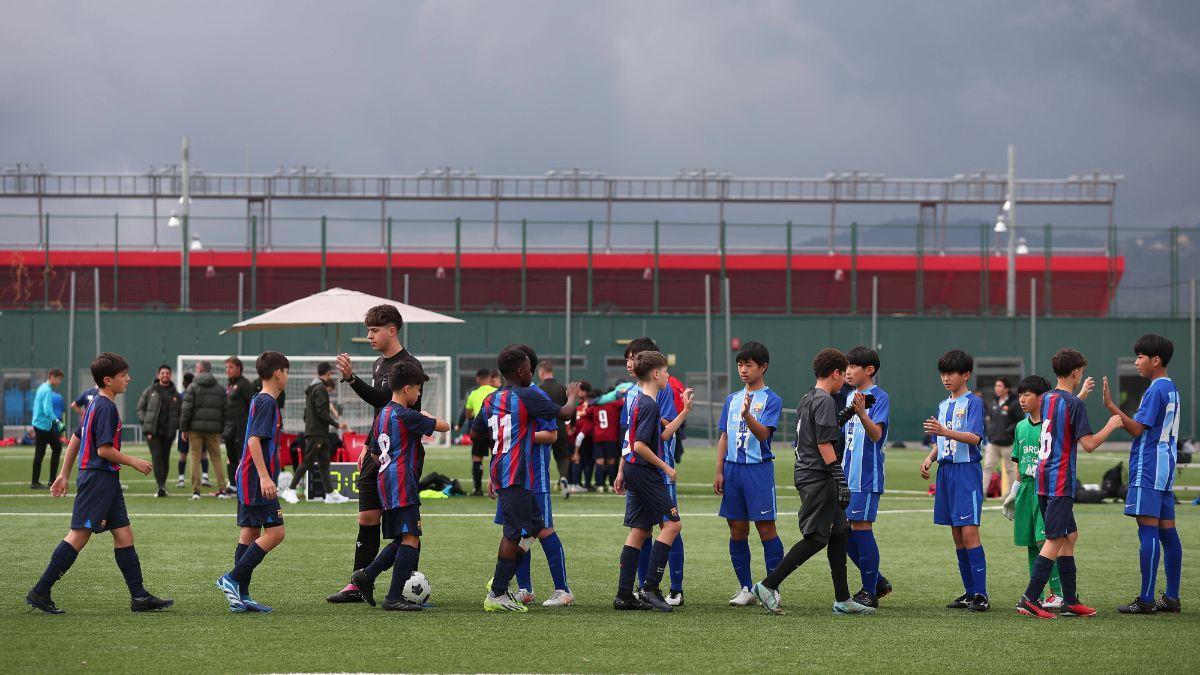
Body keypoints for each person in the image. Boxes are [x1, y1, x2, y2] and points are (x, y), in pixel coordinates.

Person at [25, 352, 173, 614]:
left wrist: (63, 474)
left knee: (124, 533)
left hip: (106, 479)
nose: (129, 378)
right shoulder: (105, 407)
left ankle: (139, 597)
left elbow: (76, 437)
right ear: (108, 380)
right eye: (123, 375)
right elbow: (103, 450)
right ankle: (40, 591)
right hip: (98, 479)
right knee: (79, 536)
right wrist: (134, 461)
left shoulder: (95, 402)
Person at [749, 348, 874, 616]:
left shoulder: (810, 397)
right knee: (817, 537)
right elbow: (824, 442)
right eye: (844, 373)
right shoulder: (826, 400)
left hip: (809, 472)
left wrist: (851, 411)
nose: (845, 380)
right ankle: (768, 585)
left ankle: (843, 598)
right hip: (818, 476)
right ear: (836, 373)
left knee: (839, 533)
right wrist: (840, 478)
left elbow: (820, 429)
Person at [327, 304, 424, 604]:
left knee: (406, 528)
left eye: (374, 330)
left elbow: (386, 401)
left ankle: (405, 589)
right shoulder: (380, 363)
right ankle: (358, 584)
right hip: (379, 452)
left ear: (392, 330)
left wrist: (352, 380)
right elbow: (381, 412)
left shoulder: (408, 366)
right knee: (367, 518)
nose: (368, 336)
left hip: (401, 459)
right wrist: (368, 446)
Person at [1015, 348, 1122, 619]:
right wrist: (1112, 424)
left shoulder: (1047, 398)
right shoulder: (1074, 404)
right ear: (1076, 372)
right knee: (1056, 538)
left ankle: (1070, 601)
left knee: (1069, 536)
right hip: (1060, 480)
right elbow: (1088, 445)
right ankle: (1030, 598)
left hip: (1042, 477)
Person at [472, 347, 576, 613]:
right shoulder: (528, 394)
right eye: (529, 367)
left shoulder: (491, 399)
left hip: (506, 470)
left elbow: (476, 434)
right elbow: (564, 414)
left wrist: (501, 444)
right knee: (514, 532)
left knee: (532, 528)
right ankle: (498, 592)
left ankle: (502, 582)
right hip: (517, 473)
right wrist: (572, 397)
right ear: (521, 371)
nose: (533, 371)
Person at [350, 361, 450, 610]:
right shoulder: (406, 415)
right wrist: (426, 415)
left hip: (386, 481)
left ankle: (366, 575)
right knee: (411, 537)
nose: (418, 394)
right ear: (407, 389)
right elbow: (445, 426)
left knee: (404, 538)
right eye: (417, 389)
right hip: (402, 483)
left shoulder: (383, 413)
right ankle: (393, 597)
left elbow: (374, 453)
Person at [1106, 334, 1184, 615]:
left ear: (1155, 360)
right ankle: (1172, 597)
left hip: (1149, 467)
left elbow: (1138, 429)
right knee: (1168, 532)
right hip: (1165, 469)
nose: (1136, 361)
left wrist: (1113, 408)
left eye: (1140, 357)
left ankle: (1146, 599)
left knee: (1147, 530)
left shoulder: (1155, 390)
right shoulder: (1172, 388)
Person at [613, 351, 692, 612]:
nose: (668, 375)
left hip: (635, 470)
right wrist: (666, 467)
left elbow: (663, 434)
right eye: (666, 370)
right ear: (656, 374)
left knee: (640, 529)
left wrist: (683, 413)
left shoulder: (642, 401)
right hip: (646, 472)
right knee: (672, 525)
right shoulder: (649, 404)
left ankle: (624, 595)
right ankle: (649, 587)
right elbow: (639, 445)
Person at [505, 345, 581, 607]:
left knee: (544, 529)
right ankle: (524, 589)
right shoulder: (506, 396)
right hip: (512, 476)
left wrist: (519, 437)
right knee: (521, 532)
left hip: (534, 476)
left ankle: (563, 590)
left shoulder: (535, 395)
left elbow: (552, 434)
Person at [216, 351, 290, 614]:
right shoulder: (267, 402)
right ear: (278, 373)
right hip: (255, 478)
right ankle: (232, 579)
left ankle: (242, 595)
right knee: (276, 533)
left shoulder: (262, 399)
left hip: (248, 475)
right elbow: (253, 441)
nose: (287, 377)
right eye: (287, 372)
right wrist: (264, 476)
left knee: (249, 534)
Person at [714, 341, 785, 607]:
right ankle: (745, 588)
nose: (743, 370)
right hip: (732, 471)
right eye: (740, 365)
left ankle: (772, 587)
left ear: (763, 367)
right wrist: (719, 470)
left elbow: (764, 434)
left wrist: (748, 417)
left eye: (749, 365)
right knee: (737, 529)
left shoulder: (772, 399)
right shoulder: (731, 399)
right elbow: (724, 435)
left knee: (766, 529)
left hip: (758, 472)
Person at [919, 349, 989, 611]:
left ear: (966, 375)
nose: (946, 378)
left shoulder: (973, 402)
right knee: (957, 534)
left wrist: (945, 431)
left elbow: (974, 437)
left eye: (951, 373)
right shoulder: (943, 405)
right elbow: (941, 441)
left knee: (970, 531)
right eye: (943, 374)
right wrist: (930, 457)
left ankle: (982, 595)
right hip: (946, 473)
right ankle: (969, 592)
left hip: (966, 472)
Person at [1001, 375, 1064, 611]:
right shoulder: (1020, 426)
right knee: (1030, 542)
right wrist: (1013, 492)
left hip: (1044, 487)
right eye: (1020, 395)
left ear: (1041, 398)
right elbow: (1018, 462)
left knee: (1044, 539)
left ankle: (1058, 593)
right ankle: (1035, 594)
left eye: (1027, 394)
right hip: (1026, 488)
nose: (1022, 399)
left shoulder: (1050, 425)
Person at [841, 345, 893, 608]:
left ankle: (869, 591)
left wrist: (861, 413)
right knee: (840, 531)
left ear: (869, 370)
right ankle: (878, 581)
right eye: (846, 367)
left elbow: (876, 435)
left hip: (866, 476)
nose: (848, 372)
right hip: (845, 476)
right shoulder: (848, 396)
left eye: (853, 367)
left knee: (861, 527)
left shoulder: (879, 397)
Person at [283, 362, 349, 504]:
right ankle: (290, 489)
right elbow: (322, 412)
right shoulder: (320, 389)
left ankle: (330, 494)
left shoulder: (313, 389)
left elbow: (307, 414)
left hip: (319, 432)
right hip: (317, 433)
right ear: (328, 373)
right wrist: (338, 424)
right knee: (308, 461)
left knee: (324, 463)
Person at [181, 361, 230, 500]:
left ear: (201, 370)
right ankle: (222, 490)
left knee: (195, 458)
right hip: (213, 430)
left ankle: (196, 492)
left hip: (195, 429)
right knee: (216, 459)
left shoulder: (192, 387)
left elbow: (186, 410)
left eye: (197, 368)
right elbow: (225, 411)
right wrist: (221, 429)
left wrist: (184, 428)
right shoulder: (220, 389)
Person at [136, 365, 182, 497]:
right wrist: (146, 421)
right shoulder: (150, 391)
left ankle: (163, 484)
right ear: (158, 375)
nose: (165, 375)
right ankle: (160, 485)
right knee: (157, 457)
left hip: (169, 432)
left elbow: (181, 413)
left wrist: (176, 425)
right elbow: (140, 408)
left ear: (171, 375)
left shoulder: (176, 394)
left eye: (167, 373)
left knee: (165, 458)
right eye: (162, 373)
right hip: (153, 432)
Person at [459, 368, 497, 496]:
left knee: (477, 458)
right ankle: (498, 486)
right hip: (494, 428)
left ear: (478, 379)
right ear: (490, 378)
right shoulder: (496, 391)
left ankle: (477, 489)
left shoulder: (473, 394)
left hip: (479, 428)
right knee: (496, 455)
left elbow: (468, 414)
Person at [983, 377, 1022, 496]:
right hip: (993, 443)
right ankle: (982, 493)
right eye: (996, 386)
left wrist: (1008, 431)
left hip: (1008, 444)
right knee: (987, 467)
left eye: (1000, 386)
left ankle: (1010, 495)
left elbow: (1019, 421)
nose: (997, 388)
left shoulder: (1014, 403)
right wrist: (989, 432)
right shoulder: (994, 402)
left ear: (1007, 389)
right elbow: (989, 419)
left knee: (1011, 470)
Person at [537, 360, 571, 489]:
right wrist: (572, 424)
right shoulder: (563, 388)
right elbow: (570, 408)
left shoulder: (538, 389)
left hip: (542, 430)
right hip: (560, 427)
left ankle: (543, 482)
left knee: (542, 457)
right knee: (562, 456)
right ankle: (563, 477)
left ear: (541, 372)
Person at [223, 356, 254, 493]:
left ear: (239, 368)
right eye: (226, 367)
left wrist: (249, 424)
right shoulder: (229, 384)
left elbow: (253, 405)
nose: (228, 370)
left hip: (241, 427)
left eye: (231, 367)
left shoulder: (245, 384)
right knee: (231, 457)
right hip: (229, 427)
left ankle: (244, 485)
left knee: (242, 457)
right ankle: (233, 484)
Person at [31, 367, 64, 489]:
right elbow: (47, 410)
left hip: (42, 425)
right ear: (52, 377)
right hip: (42, 426)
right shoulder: (47, 391)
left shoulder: (42, 388)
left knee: (55, 447)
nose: (59, 382)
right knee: (43, 452)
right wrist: (57, 422)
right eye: (59, 379)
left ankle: (49, 480)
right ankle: (37, 482)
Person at [176, 372, 210, 488]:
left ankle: (181, 479)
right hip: (199, 427)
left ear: (183, 383)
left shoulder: (181, 395)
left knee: (183, 453)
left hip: (185, 428)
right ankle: (205, 477)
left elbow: (180, 413)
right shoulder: (199, 394)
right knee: (203, 453)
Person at [587, 388, 623, 492]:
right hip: (611, 437)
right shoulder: (613, 405)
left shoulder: (594, 407)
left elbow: (586, 412)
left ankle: (600, 485)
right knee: (611, 461)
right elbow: (624, 401)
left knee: (599, 462)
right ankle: (612, 485)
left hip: (598, 437)